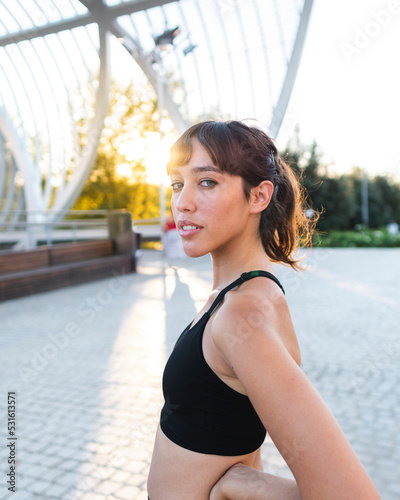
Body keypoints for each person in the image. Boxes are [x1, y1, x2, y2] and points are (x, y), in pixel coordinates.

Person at [147, 120, 381, 500]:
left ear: (258, 196)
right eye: (178, 183)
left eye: (206, 182)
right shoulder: (234, 295)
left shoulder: (244, 314)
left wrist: (243, 486)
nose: (182, 201)